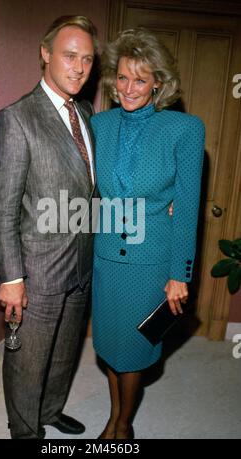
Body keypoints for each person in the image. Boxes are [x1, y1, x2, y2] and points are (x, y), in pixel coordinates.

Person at [0, 15, 98, 439]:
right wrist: (11, 278)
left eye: (87, 59)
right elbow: (1, 209)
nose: (80, 67)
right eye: (70, 55)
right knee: (28, 362)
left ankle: (50, 410)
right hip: (37, 271)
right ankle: (26, 431)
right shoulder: (16, 119)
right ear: (45, 54)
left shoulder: (86, 113)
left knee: (64, 355)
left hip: (80, 265)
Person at [90, 28, 205, 439]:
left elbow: (188, 208)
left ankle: (121, 426)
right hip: (106, 260)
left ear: (158, 82)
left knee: (134, 351)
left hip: (152, 263)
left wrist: (180, 274)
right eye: (122, 77)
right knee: (109, 346)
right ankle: (114, 416)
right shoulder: (97, 124)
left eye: (140, 79)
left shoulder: (185, 129)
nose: (129, 88)